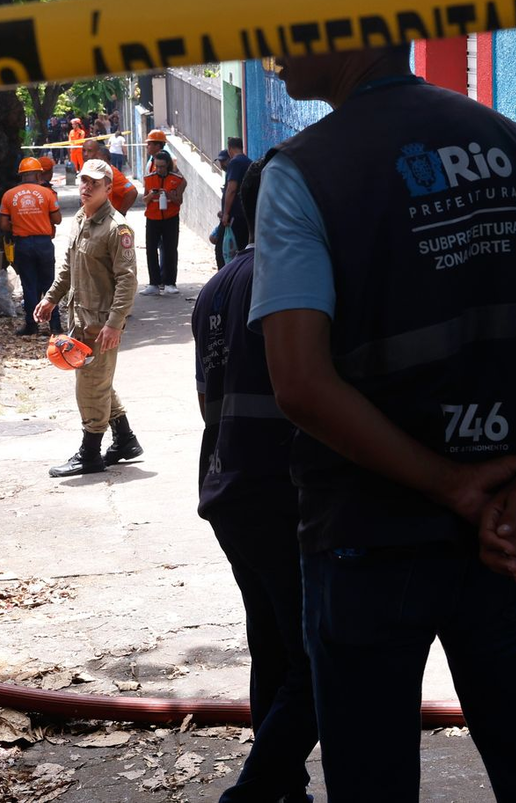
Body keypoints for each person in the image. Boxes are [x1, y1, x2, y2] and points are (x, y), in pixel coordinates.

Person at [251, 0, 516, 803]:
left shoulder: (303, 173)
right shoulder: (515, 148)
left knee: (372, 780)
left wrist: (452, 485)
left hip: (367, 535)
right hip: (508, 533)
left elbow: (300, 382)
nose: (271, 48)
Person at [194, 152, 317, 803]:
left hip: (228, 489)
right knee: (321, 658)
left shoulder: (217, 286)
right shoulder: (292, 277)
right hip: (280, 492)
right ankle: (256, 789)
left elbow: (206, 400)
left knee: (273, 646)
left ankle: (283, 790)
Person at [35, 158, 142, 477]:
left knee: (90, 386)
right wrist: (51, 297)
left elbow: (128, 279)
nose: (85, 188)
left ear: (109, 188)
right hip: (78, 317)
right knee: (99, 381)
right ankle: (125, 440)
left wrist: (114, 322)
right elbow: (68, 268)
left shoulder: (117, 227)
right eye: (83, 181)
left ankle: (90, 453)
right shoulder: (81, 218)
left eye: (93, 184)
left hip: (101, 323)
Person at [0, 157, 63, 337]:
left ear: (21, 175)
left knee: (29, 285)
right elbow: (57, 219)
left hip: (23, 244)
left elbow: (3, 224)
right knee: (50, 285)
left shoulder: (9, 195)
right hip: (44, 243)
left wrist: (19, 225)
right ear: (38, 173)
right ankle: (55, 326)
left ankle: (32, 325)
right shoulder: (47, 193)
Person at [142, 149, 186, 296]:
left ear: (167, 165)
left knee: (170, 249)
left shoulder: (177, 179)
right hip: (153, 218)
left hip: (170, 218)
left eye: (162, 166)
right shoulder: (149, 178)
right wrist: (150, 195)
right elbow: (144, 200)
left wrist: (168, 195)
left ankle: (170, 283)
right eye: (157, 166)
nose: (159, 169)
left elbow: (179, 200)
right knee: (151, 249)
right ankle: (153, 283)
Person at [83, 137, 137, 215]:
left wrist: (121, 213)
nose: (86, 154)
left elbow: (132, 192)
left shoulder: (111, 172)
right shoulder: (91, 171)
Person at [220, 137, 253, 254]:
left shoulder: (235, 162)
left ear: (230, 149)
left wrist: (226, 213)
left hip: (235, 214)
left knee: (228, 250)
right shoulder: (248, 162)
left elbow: (231, 189)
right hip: (246, 213)